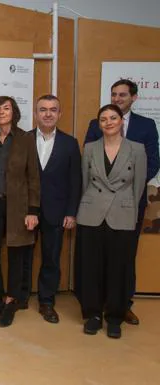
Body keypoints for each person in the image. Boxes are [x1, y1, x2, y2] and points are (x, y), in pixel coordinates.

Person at [84, 79, 159, 325]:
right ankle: (97, 308)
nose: (117, 98)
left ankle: (122, 306)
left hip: (127, 204)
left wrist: (123, 190)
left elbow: (151, 163)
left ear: (134, 98)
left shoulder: (146, 126)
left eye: (123, 95)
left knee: (123, 260)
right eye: (114, 94)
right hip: (96, 207)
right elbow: (87, 171)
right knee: (96, 261)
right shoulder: (95, 126)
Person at [76, 104, 147, 339]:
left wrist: (130, 211)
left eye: (113, 118)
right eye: (104, 119)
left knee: (119, 268)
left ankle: (115, 317)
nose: (108, 122)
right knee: (91, 267)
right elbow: (85, 182)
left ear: (121, 121)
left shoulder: (136, 149)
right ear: (99, 124)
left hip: (122, 215)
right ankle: (93, 314)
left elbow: (138, 188)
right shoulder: (89, 148)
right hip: (92, 215)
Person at [19, 95, 81, 323]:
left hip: (57, 212)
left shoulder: (70, 143)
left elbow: (75, 180)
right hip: (27, 211)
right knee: (23, 256)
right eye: (42, 109)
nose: (47, 113)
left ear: (59, 114)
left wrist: (71, 212)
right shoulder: (22, 139)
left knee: (51, 259)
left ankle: (46, 301)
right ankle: (21, 296)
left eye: (53, 109)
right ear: (35, 114)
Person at [0, 96, 40, 328]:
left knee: (17, 254)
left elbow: (33, 176)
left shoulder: (26, 139)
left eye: (6, 108)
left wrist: (33, 210)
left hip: (18, 206)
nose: (2, 112)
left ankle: (11, 300)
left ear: (14, 112)